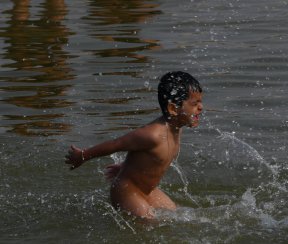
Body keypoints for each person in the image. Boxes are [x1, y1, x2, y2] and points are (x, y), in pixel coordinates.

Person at [65, 71, 203, 219]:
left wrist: (127, 166)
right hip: (128, 191)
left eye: (200, 102)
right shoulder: (153, 135)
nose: (201, 107)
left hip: (148, 190)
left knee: (179, 215)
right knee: (151, 225)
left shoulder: (177, 128)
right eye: (195, 104)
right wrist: (83, 155)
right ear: (173, 109)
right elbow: (116, 144)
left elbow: (148, 156)